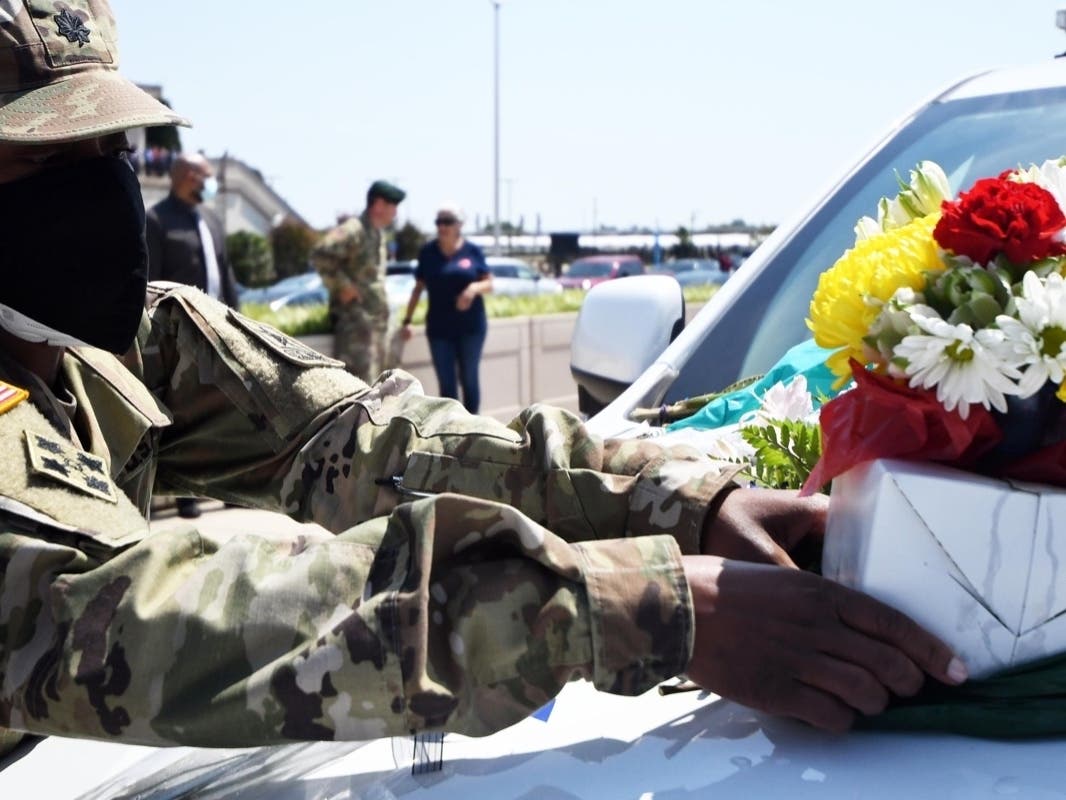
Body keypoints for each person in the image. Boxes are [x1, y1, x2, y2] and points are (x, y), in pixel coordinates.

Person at [0, 0, 966, 763]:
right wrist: (638, 609)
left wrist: (684, 507)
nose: (97, 194)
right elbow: (135, 621)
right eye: (41, 161)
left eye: (108, 151)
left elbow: (373, 446)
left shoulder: (131, 343)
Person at [146, 151, 241, 519]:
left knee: (225, 410)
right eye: (205, 175)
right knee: (183, 415)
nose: (211, 181)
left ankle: (231, 487)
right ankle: (186, 494)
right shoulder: (157, 221)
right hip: (178, 336)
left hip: (220, 331)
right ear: (186, 177)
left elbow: (226, 275)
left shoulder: (212, 220)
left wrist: (239, 324)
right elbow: (151, 282)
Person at [401, 205, 493, 413]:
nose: (442, 227)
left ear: (459, 224)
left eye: (448, 222)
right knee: (447, 384)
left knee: (469, 378)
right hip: (439, 329)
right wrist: (407, 321)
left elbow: (489, 283)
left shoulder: (472, 251)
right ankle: (453, 431)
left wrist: (472, 289)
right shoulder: (428, 253)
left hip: (471, 328)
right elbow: (418, 289)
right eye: (439, 222)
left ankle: (474, 428)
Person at [312, 180, 405, 382]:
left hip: (373, 327)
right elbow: (320, 254)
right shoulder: (355, 229)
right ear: (379, 204)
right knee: (360, 392)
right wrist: (343, 287)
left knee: (379, 390)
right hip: (356, 328)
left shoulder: (377, 232)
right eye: (392, 206)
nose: (395, 213)